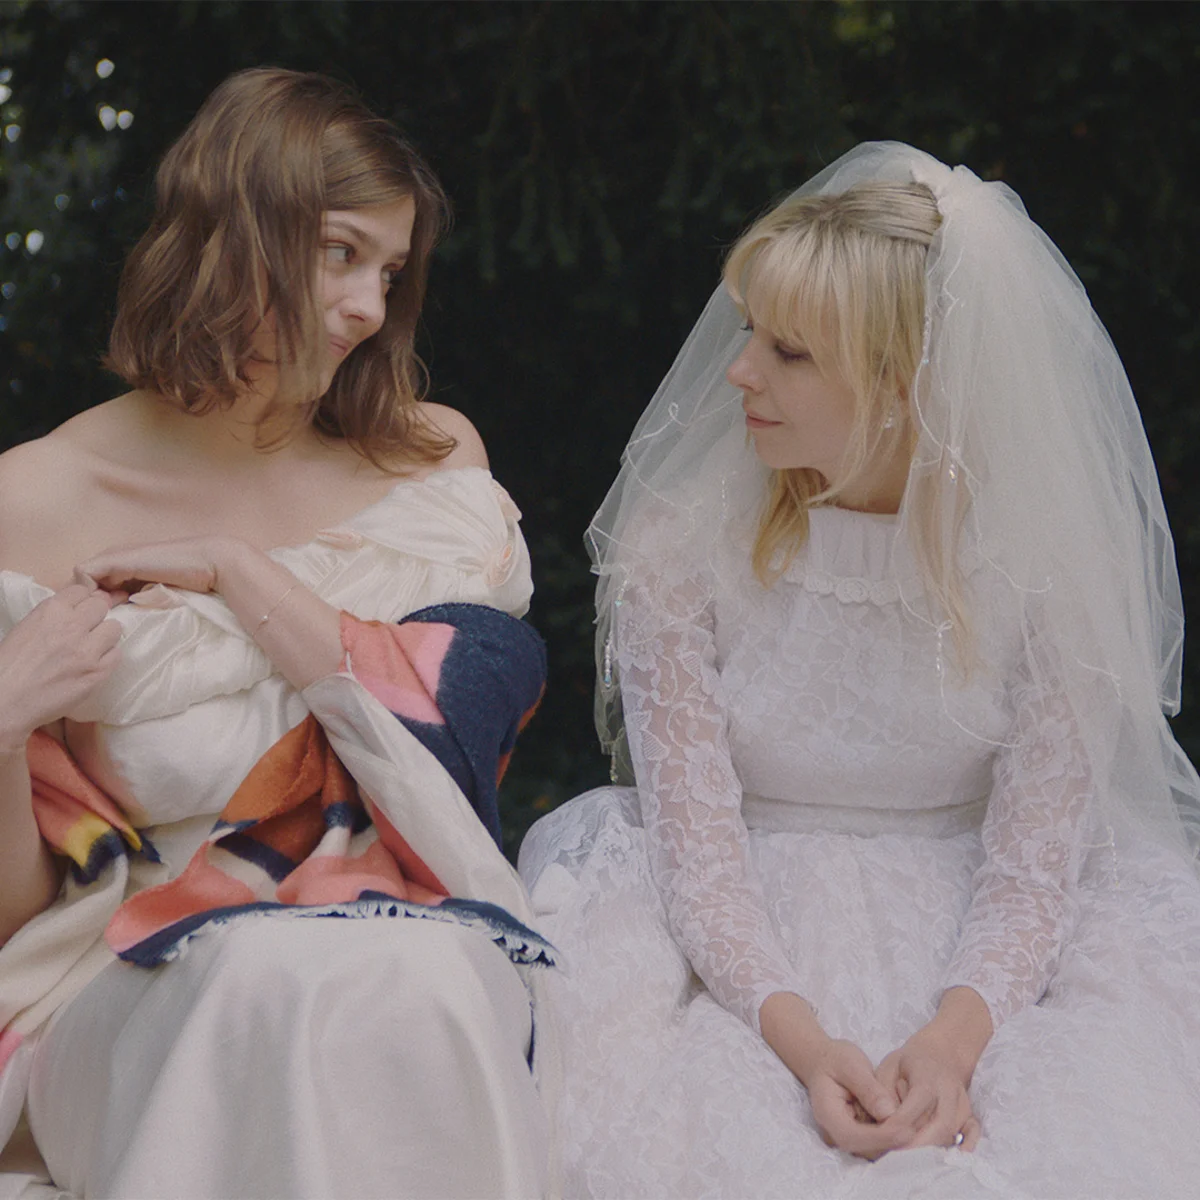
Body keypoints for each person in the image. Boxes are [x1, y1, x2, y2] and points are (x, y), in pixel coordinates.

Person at [518, 141, 1200, 1198]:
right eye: (749, 331)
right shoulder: (678, 555)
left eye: (788, 351)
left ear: (904, 386)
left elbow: (1029, 871)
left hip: (983, 944)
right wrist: (805, 1044)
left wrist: (953, 1041)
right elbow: (700, 862)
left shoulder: (1043, 575)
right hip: (742, 935)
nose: (738, 370)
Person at [0, 68, 553, 1199]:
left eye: (390, 271)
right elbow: (17, 909)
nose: (368, 306)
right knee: (274, 981)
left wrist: (244, 581)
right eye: (340, 254)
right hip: (124, 974)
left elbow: (454, 763)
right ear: (229, 239)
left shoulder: (431, 472)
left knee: (422, 973)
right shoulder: (42, 502)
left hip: (401, 916)